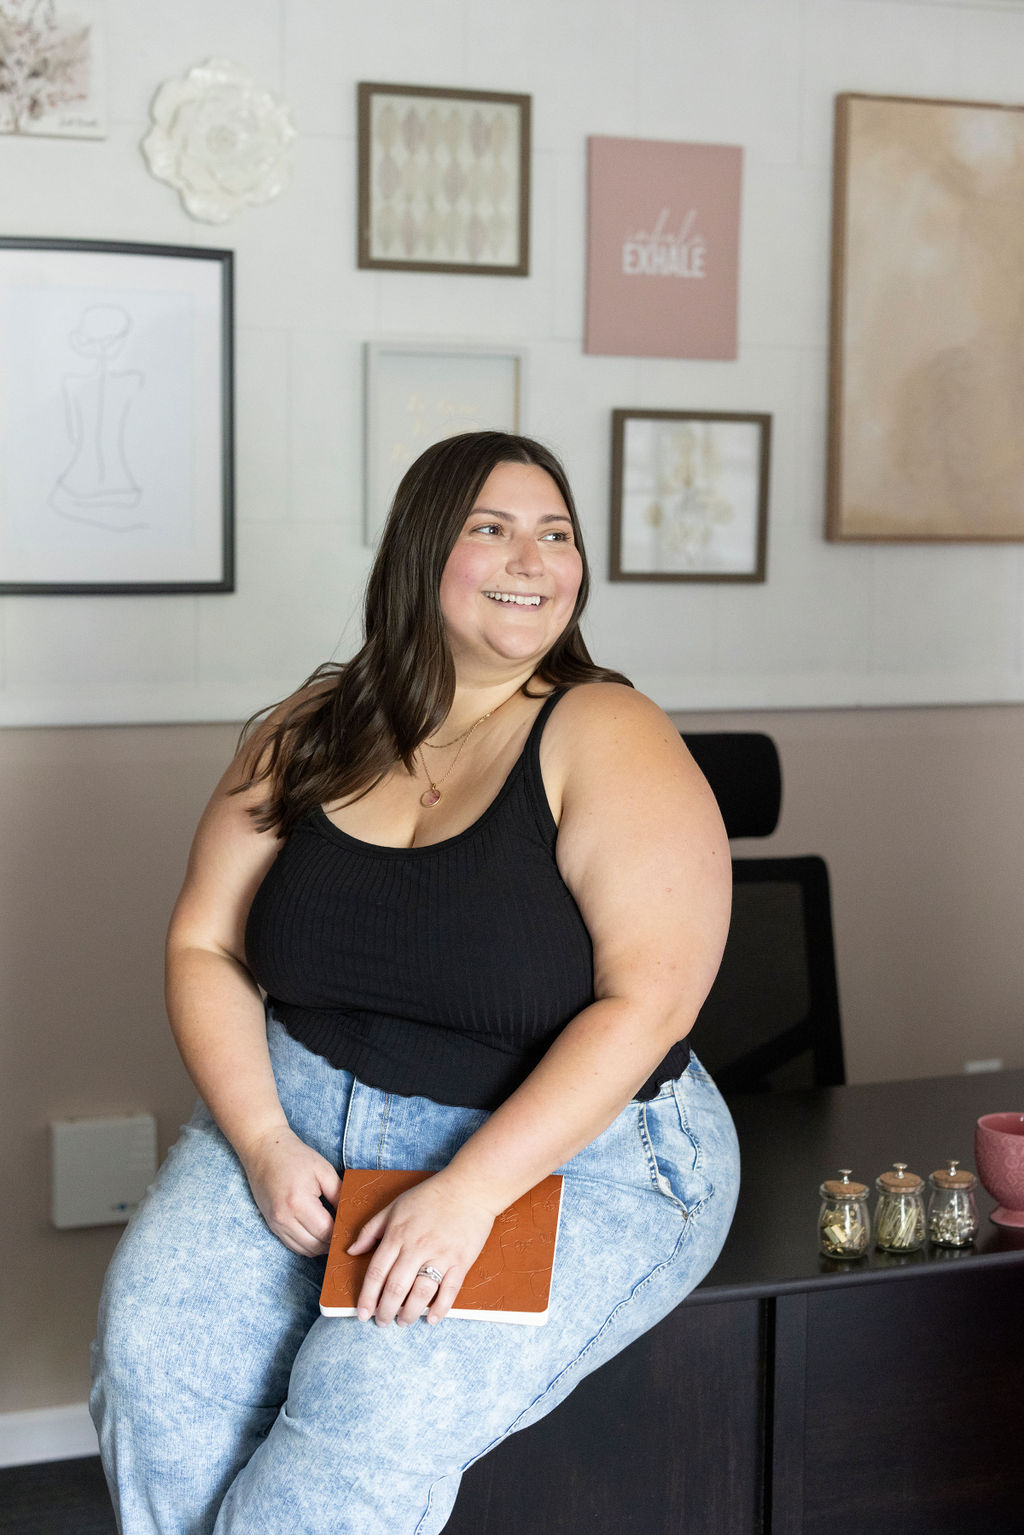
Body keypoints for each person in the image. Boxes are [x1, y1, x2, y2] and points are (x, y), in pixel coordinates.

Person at [90, 430, 740, 1534]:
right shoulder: (308, 730)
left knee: (361, 1417)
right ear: (421, 553)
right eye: (492, 528)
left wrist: (470, 1190)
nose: (532, 559)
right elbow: (204, 942)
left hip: (564, 1154)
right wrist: (261, 1138)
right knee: (157, 1362)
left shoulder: (606, 731)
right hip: (296, 1120)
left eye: (557, 534)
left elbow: (651, 1003)